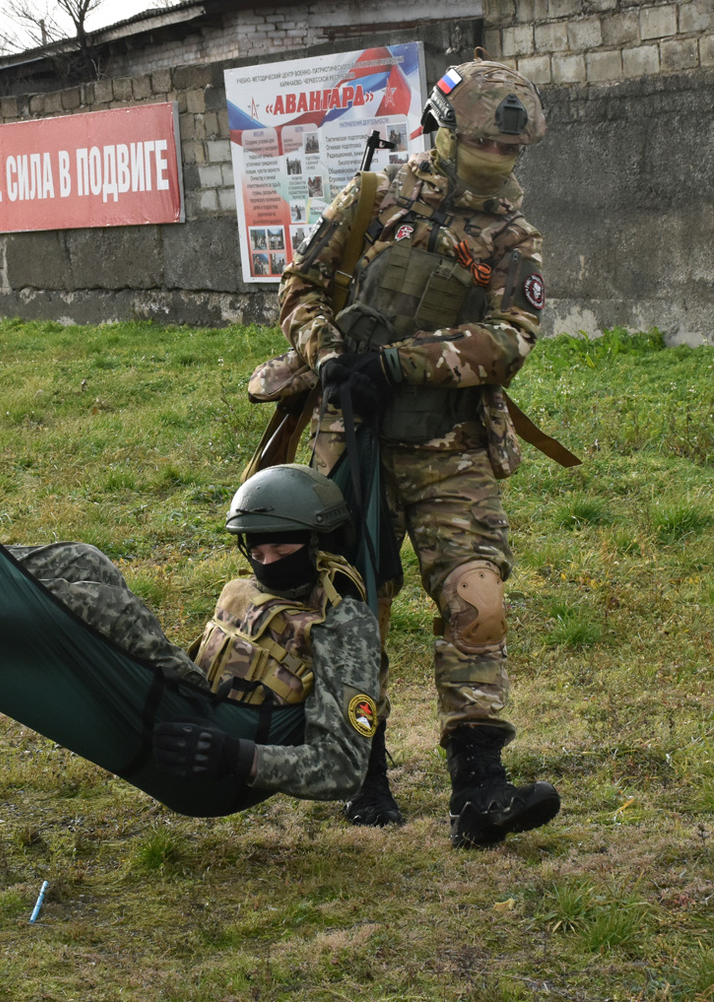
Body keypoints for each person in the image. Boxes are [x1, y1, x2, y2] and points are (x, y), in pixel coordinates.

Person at [277, 52, 561, 848]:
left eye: (512, 151)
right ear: (441, 131)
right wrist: (329, 356)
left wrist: (402, 362)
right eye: (486, 145)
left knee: (479, 603)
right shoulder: (373, 200)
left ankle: (480, 787)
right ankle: (361, 767)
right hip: (357, 437)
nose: (499, 161)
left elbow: (511, 338)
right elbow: (298, 285)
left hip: (451, 444)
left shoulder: (513, 236)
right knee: (356, 603)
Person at [11, 463, 382, 801]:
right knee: (86, 560)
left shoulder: (343, 627)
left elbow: (341, 769)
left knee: (119, 613)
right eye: (256, 553)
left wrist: (236, 755)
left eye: (281, 552)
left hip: (219, 746)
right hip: (200, 701)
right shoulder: (266, 590)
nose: (266, 565)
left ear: (317, 544)